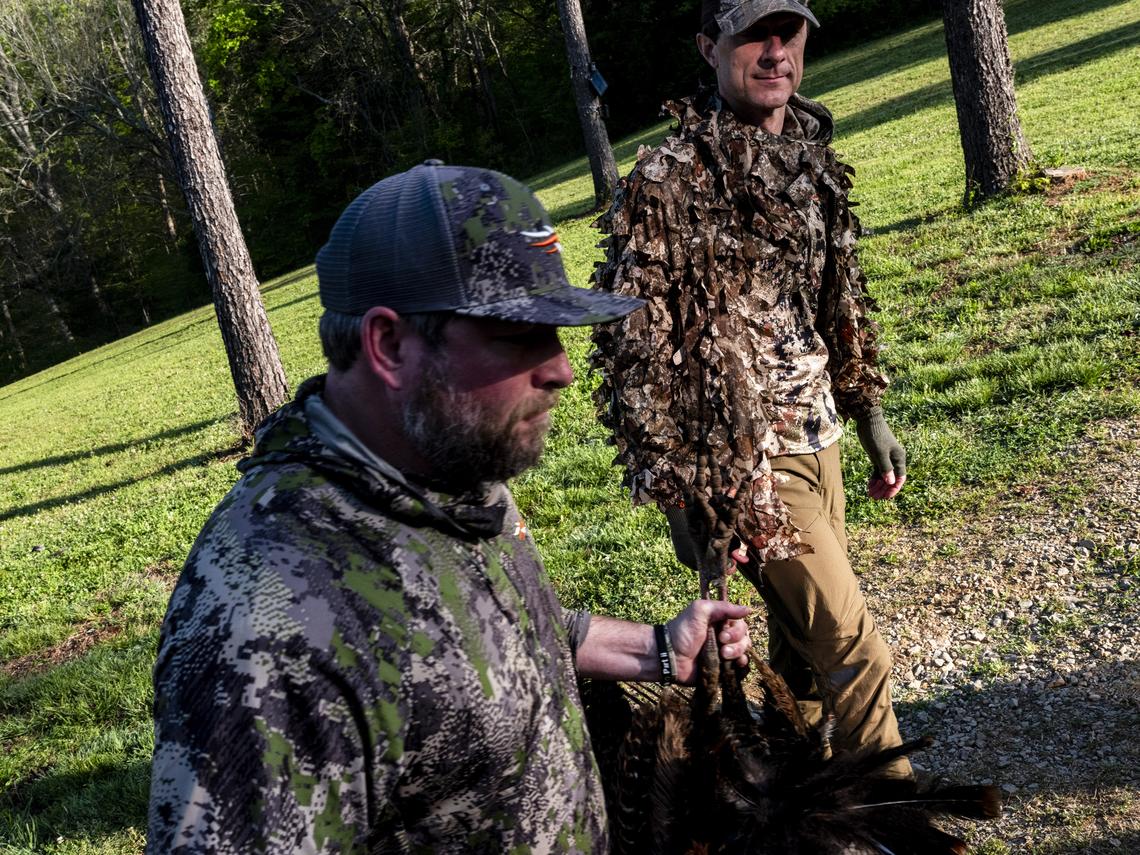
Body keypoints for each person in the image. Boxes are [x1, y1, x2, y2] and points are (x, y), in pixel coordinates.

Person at [145, 161, 753, 854]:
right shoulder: (274, 622)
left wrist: (655, 649)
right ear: (390, 344)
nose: (560, 367)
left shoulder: (450, 465)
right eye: (516, 335)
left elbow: (515, 629)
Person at [591, 0, 910, 774]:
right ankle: (904, 810)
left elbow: (840, 295)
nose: (775, 52)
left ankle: (791, 793)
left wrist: (868, 412)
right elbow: (634, 351)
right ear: (709, 46)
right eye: (753, 36)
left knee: (799, 653)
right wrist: (679, 497)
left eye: (789, 33)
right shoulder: (668, 179)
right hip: (746, 467)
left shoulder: (811, 152)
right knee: (854, 648)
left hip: (820, 437)